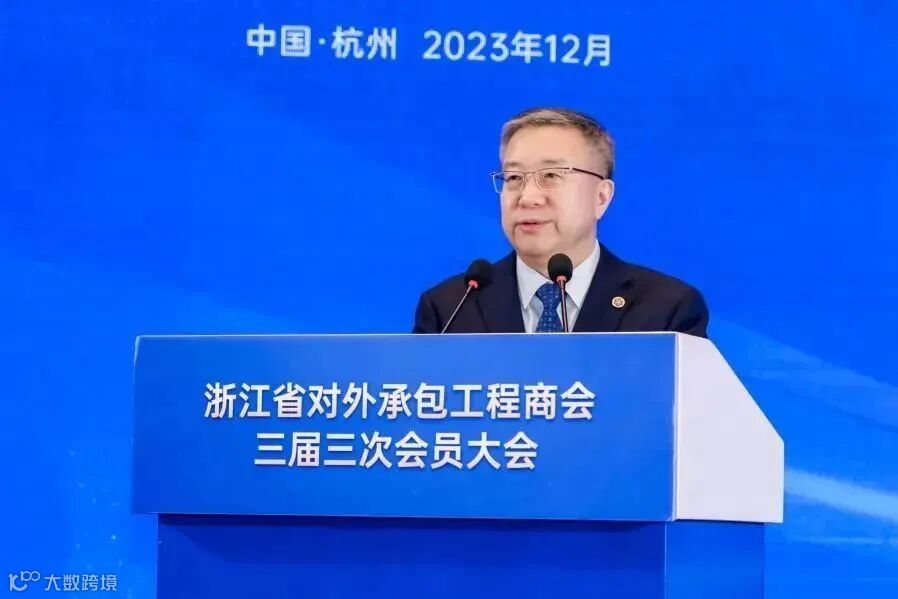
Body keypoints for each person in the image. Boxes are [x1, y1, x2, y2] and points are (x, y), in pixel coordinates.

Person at [412, 107, 708, 337]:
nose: (527, 197)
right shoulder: (449, 309)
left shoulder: (666, 310)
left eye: (551, 175)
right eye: (513, 178)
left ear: (601, 197)